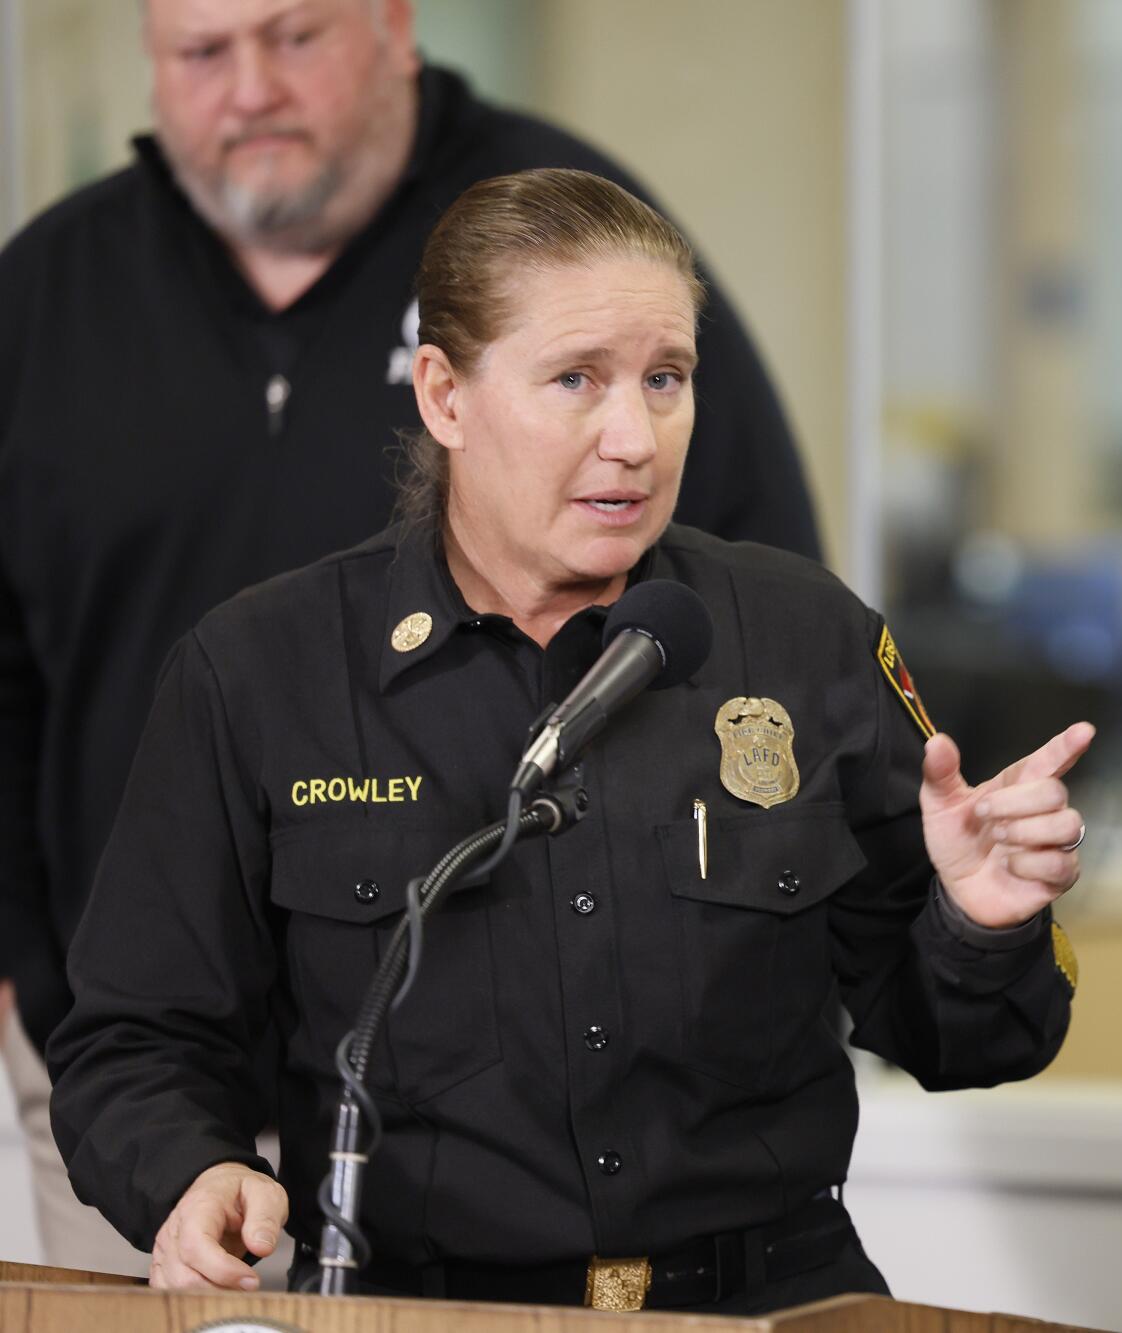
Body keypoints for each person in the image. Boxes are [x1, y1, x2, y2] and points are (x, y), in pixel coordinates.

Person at [44, 168, 1090, 1312]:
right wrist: (191, 1174)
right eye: (576, 380)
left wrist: (979, 926)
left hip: (767, 1300)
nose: (634, 437)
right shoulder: (261, 671)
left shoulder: (799, 635)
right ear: (445, 396)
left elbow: (965, 1041)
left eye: (666, 379)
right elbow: (133, 1044)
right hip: (429, 1307)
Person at [0, 0, 820, 1272]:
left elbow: (753, 613)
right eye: (205, 54)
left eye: (296, 37)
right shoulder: (50, 292)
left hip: (509, 1120)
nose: (253, 87)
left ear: (393, 27)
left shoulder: (557, 236)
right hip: (137, 1077)